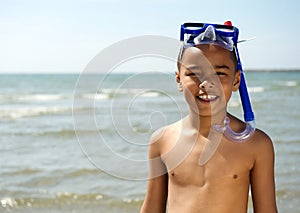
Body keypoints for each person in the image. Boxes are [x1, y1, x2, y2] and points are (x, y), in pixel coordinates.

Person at [140, 21, 278, 213]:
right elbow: (151, 209)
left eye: (219, 73)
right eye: (195, 73)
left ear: (236, 80)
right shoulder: (162, 141)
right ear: (179, 79)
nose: (207, 83)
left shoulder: (256, 145)